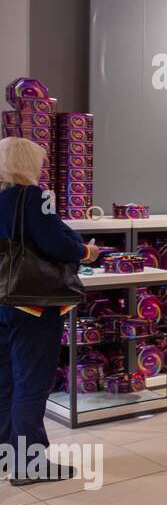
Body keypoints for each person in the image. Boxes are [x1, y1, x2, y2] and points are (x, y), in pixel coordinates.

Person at [0, 138, 98, 485]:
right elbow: (57, 243)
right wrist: (85, 253)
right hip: (32, 304)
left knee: (7, 380)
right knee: (32, 381)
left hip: (2, 301)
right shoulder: (35, 198)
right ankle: (29, 463)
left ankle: (7, 454)